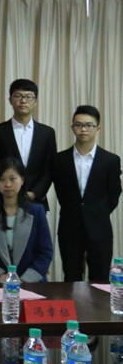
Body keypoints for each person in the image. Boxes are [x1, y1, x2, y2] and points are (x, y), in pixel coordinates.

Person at [53, 105, 122, 282]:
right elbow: (61, 191)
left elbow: (114, 193)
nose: (83, 129)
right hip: (69, 226)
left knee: (100, 279)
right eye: (79, 125)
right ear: (72, 128)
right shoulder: (60, 160)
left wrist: (97, 212)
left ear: (98, 128)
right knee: (71, 278)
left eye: (89, 125)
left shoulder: (110, 160)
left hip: (99, 228)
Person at [0, 157, 53, 283]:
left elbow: (45, 252)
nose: (8, 184)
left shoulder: (37, 211)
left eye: (12, 179)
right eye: (2, 179)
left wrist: (25, 279)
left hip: (30, 282)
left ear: (22, 180)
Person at [0, 79, 56, 209]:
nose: (23, 101)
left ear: (35, 102)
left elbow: (50, 168)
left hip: (36, 201)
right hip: (4, 200)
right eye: (18, 96)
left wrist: (35, 193)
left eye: (28, 97)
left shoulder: (47, 133)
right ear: (10, 100)